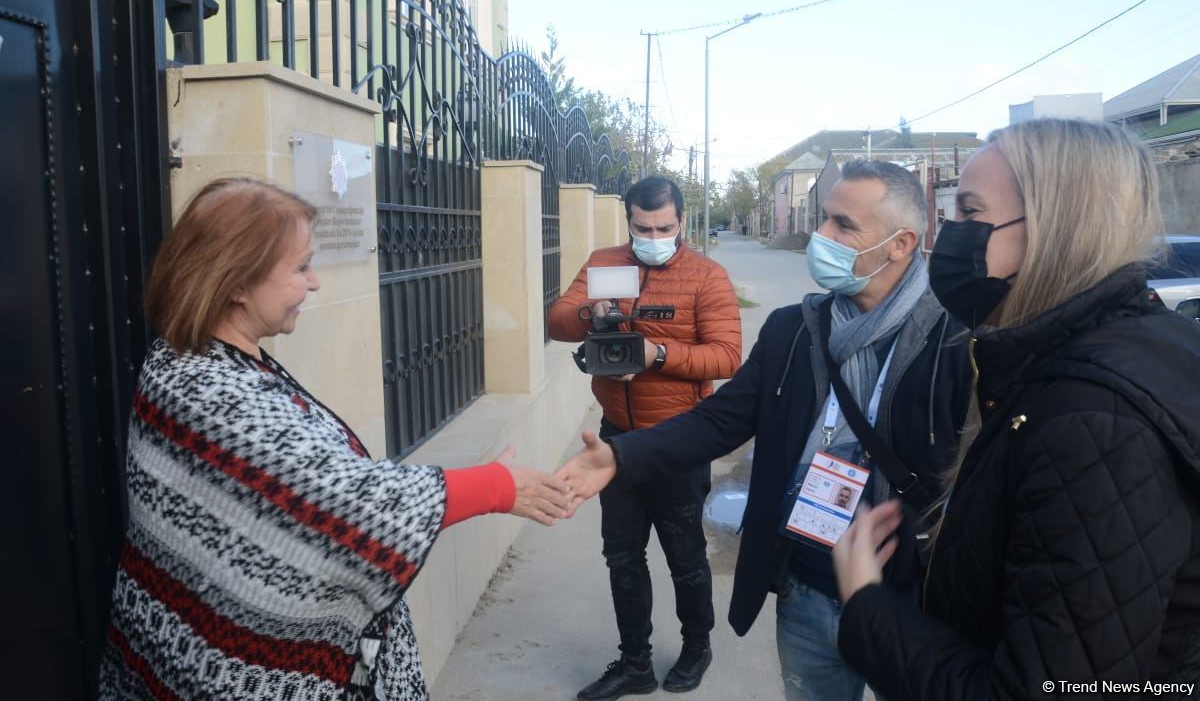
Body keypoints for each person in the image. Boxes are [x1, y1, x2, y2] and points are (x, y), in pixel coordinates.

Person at [99, 178, 573, 701]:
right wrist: (497, 488)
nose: (316, 283)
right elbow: (341, 502)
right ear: (236, 281)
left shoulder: (191, 359)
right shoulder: (206, 389)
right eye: (300, 267)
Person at [559, 160, 974, 701]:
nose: (821, 236)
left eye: (843, 225)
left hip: (914, 598)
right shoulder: (793, 330)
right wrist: (622, 457)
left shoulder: (958, 345)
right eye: (823, 219)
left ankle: (694, 644)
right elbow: (721, 419)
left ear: (901, 244)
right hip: (806, 582)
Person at [832, 118, 1200, 700]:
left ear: (1056, 227)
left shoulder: (1096, 420)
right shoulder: (1082, 354)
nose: (947, 237)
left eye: (971, 215)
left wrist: (867, 607)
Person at [547, 175, 742, 699]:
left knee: (685, 556)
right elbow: (559, 321)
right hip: (617, 441)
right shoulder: (607, 262)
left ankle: (696, 646)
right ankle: (634, 662)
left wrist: (657, 354)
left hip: (680, 440)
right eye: (641, 227)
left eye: (663, 227)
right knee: (623, 556)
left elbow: (726, 356)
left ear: (680, 221)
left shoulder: (706, 276)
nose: (651, 235)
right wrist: (596, 312)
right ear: (628, 220)